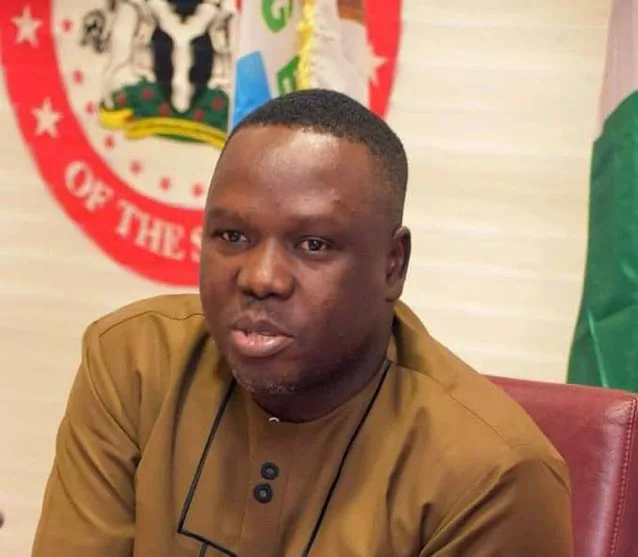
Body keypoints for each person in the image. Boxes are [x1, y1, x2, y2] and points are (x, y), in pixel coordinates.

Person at [31, 89, 573, 556]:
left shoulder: (493, 474)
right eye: (232, 236)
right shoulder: (133, 363)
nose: (260, 278)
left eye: (313, 244)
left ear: (392, 265)